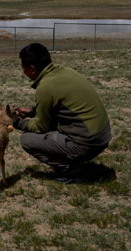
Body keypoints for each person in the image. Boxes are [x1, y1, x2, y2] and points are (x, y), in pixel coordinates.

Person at [12, 43, 112, 178]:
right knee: (51, 125)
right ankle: (75, 160)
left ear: (32, 69)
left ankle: (69, 169)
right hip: (103, 136)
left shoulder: (45, 87)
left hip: (89, 143)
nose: (23, 72)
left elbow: (40, 127)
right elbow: (61, 105)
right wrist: (32, 110)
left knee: (27, 139)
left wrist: (16, 122)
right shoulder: (65, 71)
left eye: (23, 68)